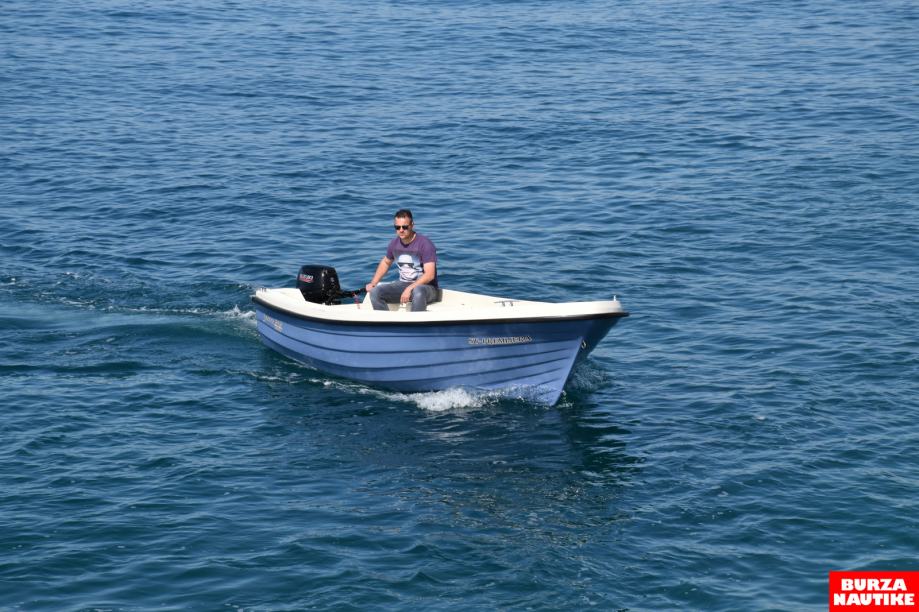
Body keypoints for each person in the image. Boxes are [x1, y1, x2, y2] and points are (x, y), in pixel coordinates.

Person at [365, 209, 438, 311]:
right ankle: (385, 320)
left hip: (427, 288)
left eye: (405, 227)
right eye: (397, 227)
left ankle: (416, 320)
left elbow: (430, 275)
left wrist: (410, 288)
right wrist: (373, 283)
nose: (401, 230)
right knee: (375, 292)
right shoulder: (394, 244)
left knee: (418, 291)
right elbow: (386, 262)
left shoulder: (425, 244)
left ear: (412, 225)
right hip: (402, 284)